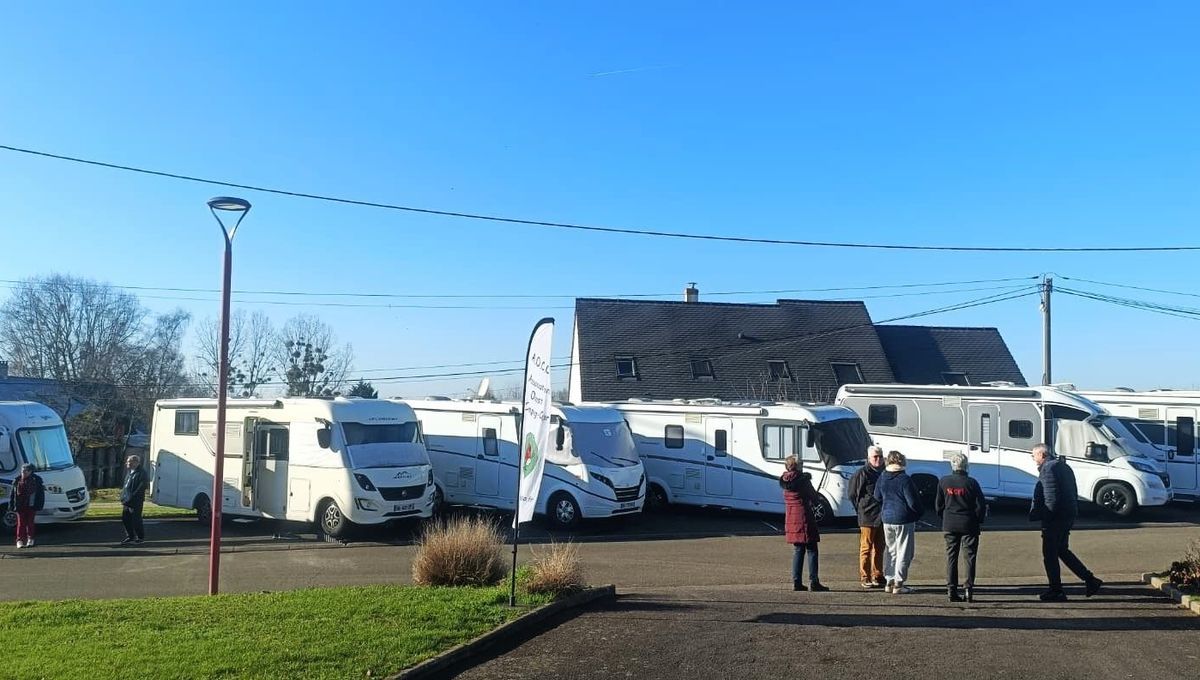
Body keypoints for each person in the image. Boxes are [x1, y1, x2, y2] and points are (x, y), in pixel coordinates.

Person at [1030, 443, 1102, 601]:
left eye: (1034, 455)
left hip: (1055, 518)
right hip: (1067, 515)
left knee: (1050, 555)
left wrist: (1046, 518)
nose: (1033, 459)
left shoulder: (1048, 469)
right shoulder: (1063, 466)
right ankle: (1090, 580)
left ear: (1042, 455)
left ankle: (1056, 590)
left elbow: (1051, 498)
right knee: (1062, 550)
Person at [935, 453, 987, 602]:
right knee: (970, 557)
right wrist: (978, 520)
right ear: (966, 466)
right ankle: (968, 589)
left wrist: (944, 517)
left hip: (950, 523)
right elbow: (980, 505)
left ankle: (951, 589)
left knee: (951, 556)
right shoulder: (972, 483)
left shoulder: (943, 482)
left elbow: (938, 505)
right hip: (969, 524)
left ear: (952, 465)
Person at [874, 450, 923, 594]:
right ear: (902, 462)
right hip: (903, 519)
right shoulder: (904, 479)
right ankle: (899, 583)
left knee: (891, 551)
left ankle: (889, 581)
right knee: (904, 552)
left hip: (887, 518)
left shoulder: (883, 476)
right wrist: (919, 513)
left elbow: (877, 496)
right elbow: (913, 502)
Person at [780, 455, 829, 592]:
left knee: (798, 550)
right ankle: (814, 581)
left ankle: (797, 581)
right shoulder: (804, 481)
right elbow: (814, 497)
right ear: (798, 466)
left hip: (791, 518)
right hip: (804, 517)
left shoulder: (785, 482)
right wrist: (816, 498)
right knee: (812, 549)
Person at [848, 445, 886, 589]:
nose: (878, 459)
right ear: (869, 458)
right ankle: (865, 576)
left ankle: (878, 575)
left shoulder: (885, 472)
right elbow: (852, 494)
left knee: (880, 547)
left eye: (880, 456)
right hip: (867, 515)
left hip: (882, 516)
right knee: (866, 547)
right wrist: (861, 508)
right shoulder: (862, 473)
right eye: (875, 457)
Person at [12, 463, 45, 549]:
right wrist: (12, 505)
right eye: (22, 471)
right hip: (20, 505)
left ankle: (30, 539)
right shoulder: (17, 480)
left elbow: (40, 494)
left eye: (25, 471)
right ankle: (19, 540)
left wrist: (39, 505)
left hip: (31, 505)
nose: (23, 473)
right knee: (21, 523)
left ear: (30, 471)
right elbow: (13, 495)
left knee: (30, 523)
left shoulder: (36, 480)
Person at [119, 454, 148, 545]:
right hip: (126, 500)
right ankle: (130, 536)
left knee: (136, 519)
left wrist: (132, 497)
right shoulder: (129, 472)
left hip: (135, 501)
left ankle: (140, 537)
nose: (127, 463)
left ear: (135, 463)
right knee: (125, 518)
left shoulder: (141, 473)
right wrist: (123, 496)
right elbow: (126, 486)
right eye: (127, 462)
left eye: (129, 462)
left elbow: (141, 487)